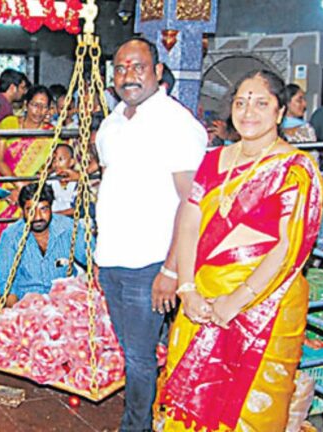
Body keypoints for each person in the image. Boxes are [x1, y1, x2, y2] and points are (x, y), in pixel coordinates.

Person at [156, 69, 323, 432]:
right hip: (202, 300)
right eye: (241, 102)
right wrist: (187, 289)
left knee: (249, 410)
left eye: (261, 103)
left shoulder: (296, 168)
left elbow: (288, 247)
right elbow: (189, 221)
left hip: (265, 307)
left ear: (279, 112)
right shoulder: (214, 161)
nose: (249, 112)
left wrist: (238, 300)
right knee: (189, 403)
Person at [95, 37, 207, 431]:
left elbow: (191, 204)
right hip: (111, 259)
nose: (129, 76)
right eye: (121, 68)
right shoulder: (110, 125)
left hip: (152, 263)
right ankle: (156, 415)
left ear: (158, 72)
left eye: (138, 66)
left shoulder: (177, 124)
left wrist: (173, 271)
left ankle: (136, 426)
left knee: (140, 357)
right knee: (132, 351)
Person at [0, 85, 55, 315]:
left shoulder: (50, 133)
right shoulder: (9, 123)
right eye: (35, 105)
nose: (38, 111)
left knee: (27, 248)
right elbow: (0, 160)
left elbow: (47, 168)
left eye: (44, 106)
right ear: (26, 104)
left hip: (30, 197)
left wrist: (27, 193)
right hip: (6, 192)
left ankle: (24, 302)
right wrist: (19, 188)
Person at [0, 183, 91, 306]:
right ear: (22, 211)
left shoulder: (69, 228)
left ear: (51, 208)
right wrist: (16, 316)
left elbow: (92, 260)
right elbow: (7, 284)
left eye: (43, 209)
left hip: (65, 303)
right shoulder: (11, 236)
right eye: (30, 210)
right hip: (28, 306)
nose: (37, 217)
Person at [47, 144, 78, 217]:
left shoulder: (77, 180)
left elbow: (77, 209)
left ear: (71, 162)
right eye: (54, 160)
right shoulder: (51, 179)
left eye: (61, 159)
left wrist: (53, 215)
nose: (56, 163)